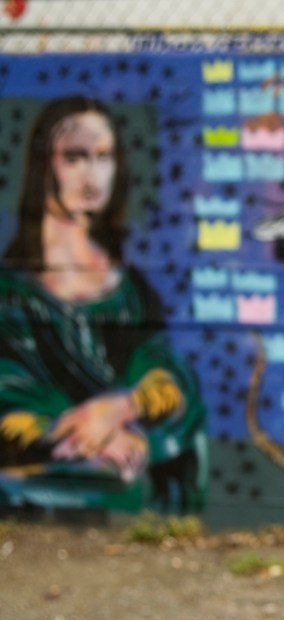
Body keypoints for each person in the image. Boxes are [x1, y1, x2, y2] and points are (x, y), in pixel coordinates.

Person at [0, 95, 206, 513]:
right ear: (45, 164)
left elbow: (167, 372)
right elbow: (9, 390)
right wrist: (78, 433)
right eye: (74, 157)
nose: (91, 174)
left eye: (104, 157)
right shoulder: (13, 292)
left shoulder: (130, 288)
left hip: (132, 462)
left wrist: (120, 408)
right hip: (38, 479)